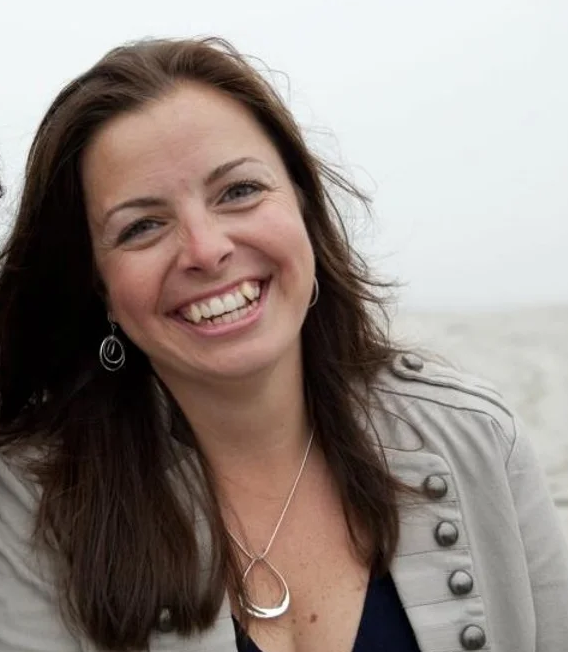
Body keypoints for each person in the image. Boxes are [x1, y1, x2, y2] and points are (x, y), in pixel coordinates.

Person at [0, 37, 566, 652]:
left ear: (303, 205)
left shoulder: (479, 441)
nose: (206, 248)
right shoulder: (28, 509)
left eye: (239, 191)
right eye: (142, 226)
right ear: (98, 286)